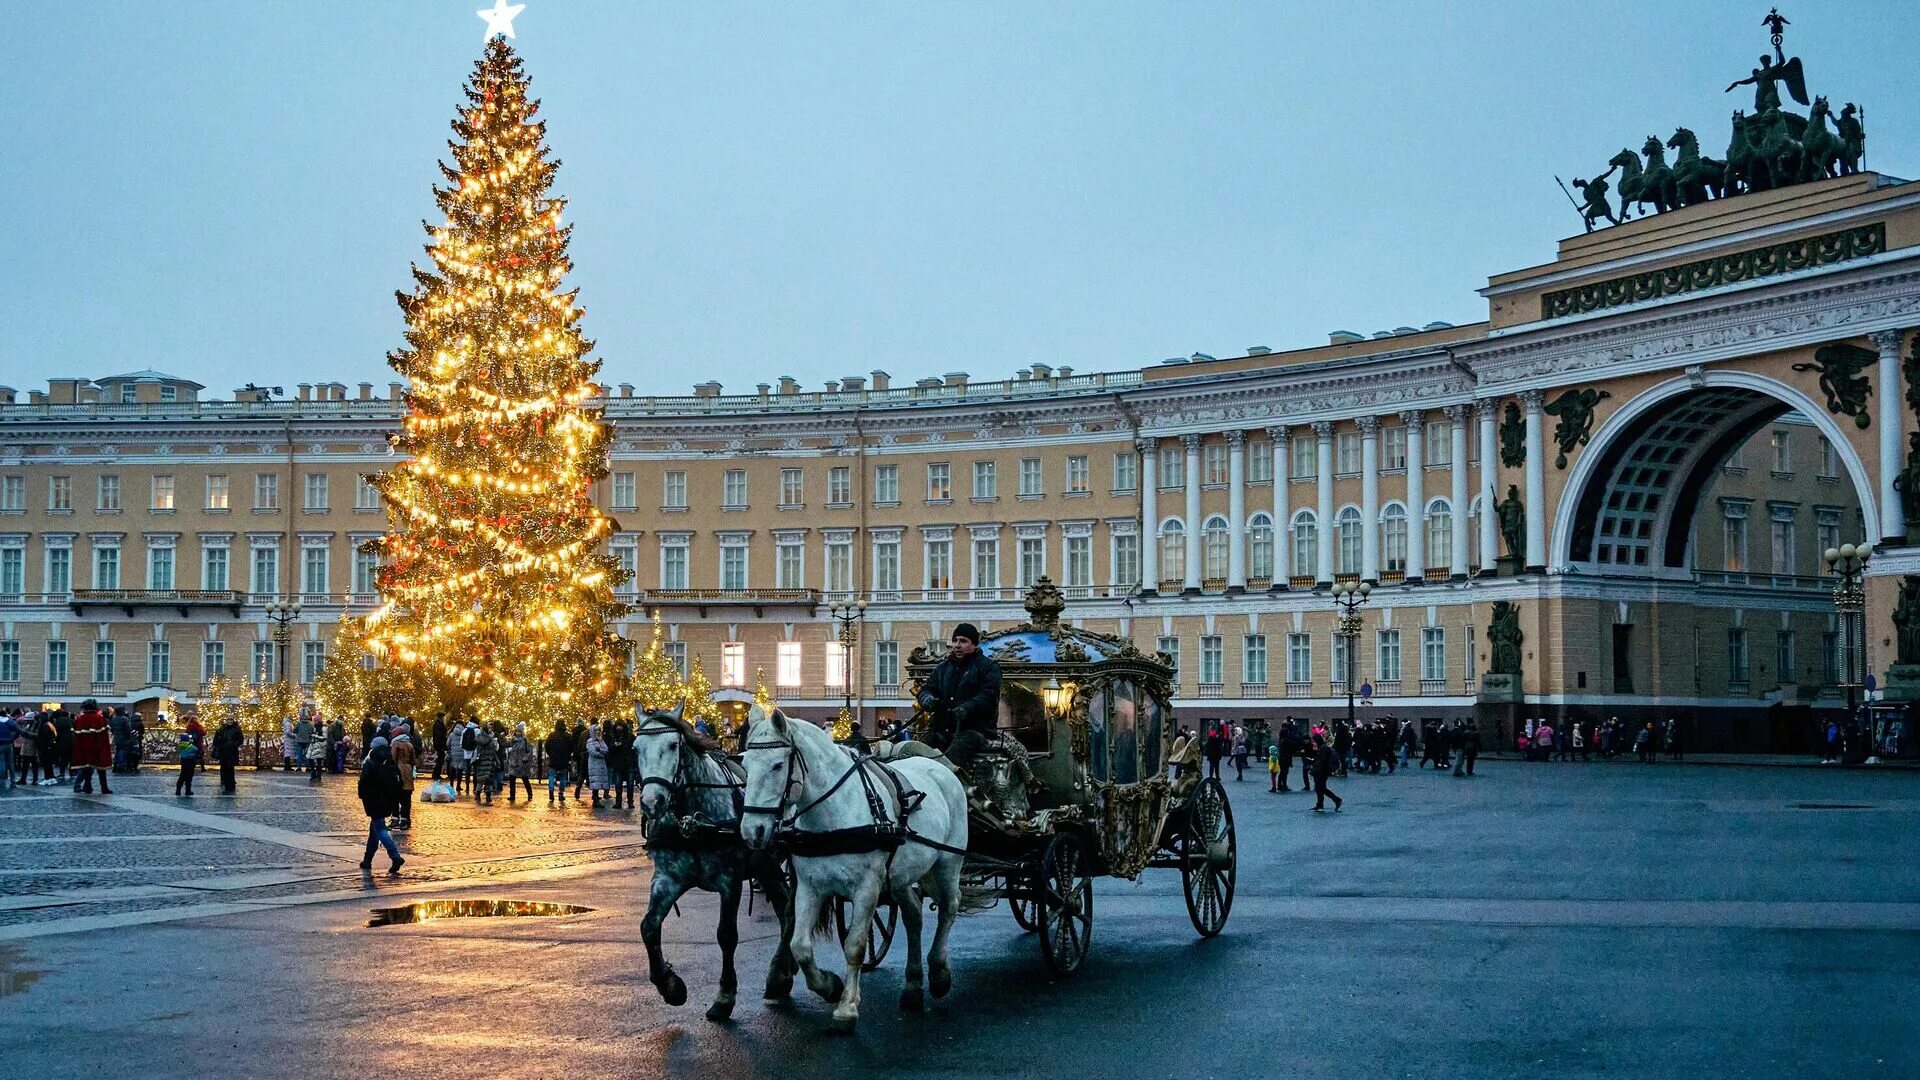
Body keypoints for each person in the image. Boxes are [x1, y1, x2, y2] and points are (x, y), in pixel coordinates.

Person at [917, 623, 1004, 773]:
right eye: (955, 640)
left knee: (951, 760)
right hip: (941, 729)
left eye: (963, 641)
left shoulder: (988, 667)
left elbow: (988, 696)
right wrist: (926, 698)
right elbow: (927, 689)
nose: (957, 645)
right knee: (918, 753)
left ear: (975, 645)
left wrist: (967, 708)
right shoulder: (942, 668)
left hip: (975, 731)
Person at [356, 737, 406, 874]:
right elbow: (398, 780)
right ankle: (367, 860)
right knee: (375, 829)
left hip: (373, 799)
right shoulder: (390, 760)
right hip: (388, 799)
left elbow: (363, 781)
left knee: (380, 828)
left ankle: (395, 856)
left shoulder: (370, 760)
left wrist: (361, 794)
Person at [70, 700, 114, 795]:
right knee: (101, 769)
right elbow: (103, 736)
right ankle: (104, 787)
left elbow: (76, 737)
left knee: (86, 768)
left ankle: (87, 786)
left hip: (84, 749)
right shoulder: (100, 718)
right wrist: (105, 749)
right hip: (98, 748)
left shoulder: (79, 719)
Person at [390, 728, 417, 828]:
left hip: (398, 771)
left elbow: (393, 758)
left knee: (395, 796)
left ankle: (395, 818)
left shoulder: (395, 744)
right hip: (408, 771)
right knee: (406, 797)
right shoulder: (409, 744)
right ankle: (406, 820)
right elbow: (414, 761)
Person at [211, 714, 244, 793]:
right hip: (223, 751)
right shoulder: (222, 729)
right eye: (228, 719)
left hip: (232, 751)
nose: (230, 721)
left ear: (233, 720)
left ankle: (231, 785)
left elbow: (240, 739)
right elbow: (216, 740)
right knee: (224, 768)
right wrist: (220, 743)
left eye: (231, 719)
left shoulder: (237, 729)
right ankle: (225, 783)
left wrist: (234, 745)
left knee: (230, 768)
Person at [1310, 733, 1342, 813]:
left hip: (1321, 772)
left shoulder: (1323, 749)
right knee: (1321, 788)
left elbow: (1322, 762)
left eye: (1314, 741)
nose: (1313, 743)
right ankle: (1322, 803)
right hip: (1321, 771)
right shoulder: (1322, 748)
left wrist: (1315, 769)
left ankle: (1334, 800)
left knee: (1320, 788)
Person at [175, 714, 205, 796]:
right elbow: (198, 736)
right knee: (189, 773)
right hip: (192, 753)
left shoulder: (188, 729)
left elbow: (187, 738)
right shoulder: (197, 728)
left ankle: (178, 789)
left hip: (186, 753)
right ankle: (187, 790)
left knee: (183, 772)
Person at [546, 719, 574, 805]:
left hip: (553, 758)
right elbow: (571, 747)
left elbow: (547, 746)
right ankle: (561, 793)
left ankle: (551, 789)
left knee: (551, 775)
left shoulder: (551, 735)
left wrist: (551, 754)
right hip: (564, 759)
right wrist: (568, 756)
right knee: (563, 777)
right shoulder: (568, 736)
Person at [505, 723, 535, 803]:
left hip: (522, 764)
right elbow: (505, 745)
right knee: (512, 780)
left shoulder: (525, 741)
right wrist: (502, 737)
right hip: (514, 763)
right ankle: (512, 795)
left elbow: (530, 751)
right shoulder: (513, 740)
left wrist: (525, 758)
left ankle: (530, 794)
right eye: (517, 731)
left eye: (519, 731)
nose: (517, 733)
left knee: (525, 780)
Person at [471, 722, 499, 806]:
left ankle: (488, 795)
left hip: (490, 760)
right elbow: (483, 742)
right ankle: (478, 793)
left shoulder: (492, 737)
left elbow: (495, 749)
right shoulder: (481, 737)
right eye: (489, 727)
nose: (491, 728)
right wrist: (491, 739)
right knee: (481, 779)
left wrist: (495, 743)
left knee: (489, 780)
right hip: (483, 760)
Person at [585, 723, 611, 807]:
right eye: (596, 730)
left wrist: (600, 747)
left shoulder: (601, 740)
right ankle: (595, 800)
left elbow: (606, 750)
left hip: (601, 765)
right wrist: (601, 753)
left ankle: (596, 798)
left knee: (599, 782)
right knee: (595, 782)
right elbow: (593, 752)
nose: (598, 732)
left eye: (599, 730)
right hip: (594, 766)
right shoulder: (590, 741)